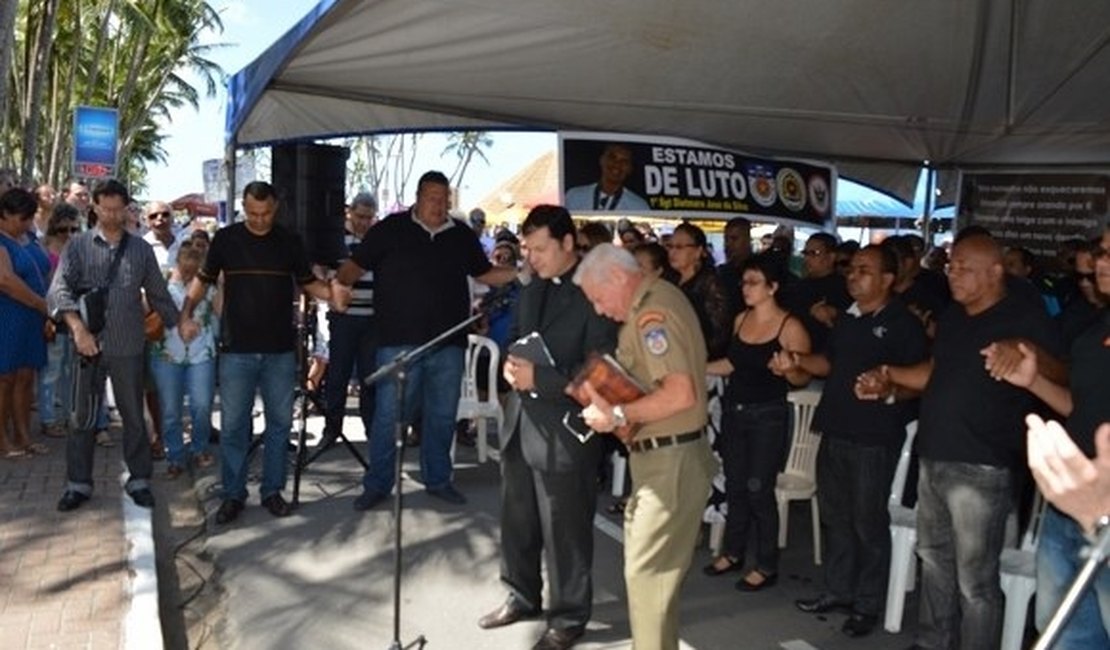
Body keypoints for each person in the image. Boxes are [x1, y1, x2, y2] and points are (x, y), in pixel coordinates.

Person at [855, 231, 1063, 649]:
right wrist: (890, 375)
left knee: (975, 581)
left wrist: (1025, 353)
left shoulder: (1021, 316)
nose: (955, 274)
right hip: (935, 455)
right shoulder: (952, 317)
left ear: (996, 271)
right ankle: (933, 641)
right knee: (933, 561)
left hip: (983, 466)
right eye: (952, 266)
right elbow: (935, 373)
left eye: (966, 267)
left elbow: (1062, 375)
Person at [477, 206, 618, 650]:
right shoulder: (533, 287)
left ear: (568, 244)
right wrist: (512, 368)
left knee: (565, 529)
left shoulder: (597, 293)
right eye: (526, 249)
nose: (531, 258)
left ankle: (569, 616)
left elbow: (601, 369)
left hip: (567, 428)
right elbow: (520, 335)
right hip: (522, 420)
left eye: (539, 249)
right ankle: (521, 594)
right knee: (517, 517)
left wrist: (543, 380)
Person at [337, 171, 517, 510]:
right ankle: (377, 484)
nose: (440, 205)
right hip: (396, 344)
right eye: (433, 198)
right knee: (390, 417)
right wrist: (339, 286)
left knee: (442, 415)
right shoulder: (390, 229)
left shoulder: (461, 234)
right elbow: (354, 267)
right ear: (418, 198)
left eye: (444, 198)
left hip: (449, 342)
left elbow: (483, 273)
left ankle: (438, 480)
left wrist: (519, 273)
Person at [777, 245, 926, 638]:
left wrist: (889, 387)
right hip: (836, 429)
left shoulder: (902, 324)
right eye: (852, 269)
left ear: (887, 279)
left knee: (867, 524)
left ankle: (867, 604)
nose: (853, 275)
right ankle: (837, 590)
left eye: (864, 270)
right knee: (836, 519)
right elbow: (829, 363)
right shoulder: (849, 318)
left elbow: (918, 380)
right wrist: (798, 360)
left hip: (874, 438)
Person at [574, 243, 716, 650]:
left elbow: (679, 395)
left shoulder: (652, 313)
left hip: (671, 461)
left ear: (618, 277)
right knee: (655, 584)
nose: (600, 310)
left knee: (648, 580)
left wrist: (616, 415)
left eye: (599, 299)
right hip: (662, 457)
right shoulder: (655, 301)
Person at [178, 181, 345, 524]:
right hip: (237, 349)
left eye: (266, 213)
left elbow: (308, 283)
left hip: (280, 351)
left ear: (276, 207)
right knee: (235, 425)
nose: (259, 220)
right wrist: (186, 313)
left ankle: (272, 492)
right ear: (243, 206)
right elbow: (203, 280)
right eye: (253, 213)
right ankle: (233, 494)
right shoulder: (226, 239)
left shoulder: (289, 241)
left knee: (280, 425)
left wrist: (332, 294)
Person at [982, 226, 1110, 646]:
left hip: (1102, 512)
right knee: (1065, 635)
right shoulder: (1097, 329)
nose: (1100, 261)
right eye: (1101, 251)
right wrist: (1033, 381)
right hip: (1070, 509)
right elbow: (1081, 406)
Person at [48, 179, 180, 511]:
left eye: (117, 209)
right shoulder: (77, 246)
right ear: (93, 207)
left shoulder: (141, 250)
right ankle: (78, 483)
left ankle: (139, 479)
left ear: (126, 208)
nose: (111, 215)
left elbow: (158, 294)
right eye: (105, 209)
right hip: (87, 347)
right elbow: (59, 290)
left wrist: (181, 323)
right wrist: (78, 329)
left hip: (128, 345)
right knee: (82, 417)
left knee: (134, 416)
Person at [703, 252, 811, 591]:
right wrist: (697, 366)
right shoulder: (740, 319)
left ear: (773, 287)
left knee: (759, 489)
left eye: (753, 282)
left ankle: (766, 563)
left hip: (768, 414)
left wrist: (789, 368)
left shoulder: (790, 326)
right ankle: (733, 552)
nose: (745, 288)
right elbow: (732, 365)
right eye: (744, 281)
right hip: (736, 410)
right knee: (735, 484)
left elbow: (802, 379)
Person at [149, 242, 217, 478]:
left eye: (194, 270)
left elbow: (220, 310)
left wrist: (223, 283)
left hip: (202, 353)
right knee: (170, 409)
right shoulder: (164, 284)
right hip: (167, 354)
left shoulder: (208, 286)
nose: (188, 275)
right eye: (185, 269)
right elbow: (147, 308)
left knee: (201, 405)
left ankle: (199, 448)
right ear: (177, 262)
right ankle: (175, 456)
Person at [319, 193, 379, 451]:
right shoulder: (335, 241)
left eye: (368, 217)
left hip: (372, 319)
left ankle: (372, 430)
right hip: (343, 318)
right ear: (350, 213)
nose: (364, 222)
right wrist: (329, 290)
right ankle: (332, 430)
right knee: (338, 376)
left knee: (370, 377)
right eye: (360, 216)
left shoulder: (377, 241)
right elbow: (319, 269)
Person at [0, 188, 50, 459]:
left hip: (31, 318)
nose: (27, 223)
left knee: (25, 377)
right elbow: (5, 281)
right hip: (8, 315)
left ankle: (23, 435)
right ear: (6, 213)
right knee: (5, 378)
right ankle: (3, 439)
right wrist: (40, 304)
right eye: (23, 217)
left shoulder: (28, 238)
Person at [667, 221, 733, 361]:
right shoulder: (669, 280)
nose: (672, 252)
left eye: (679, 247)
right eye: (670, 246)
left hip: (702, 362)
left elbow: (720, 334)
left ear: (698, 251)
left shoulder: (711, 284)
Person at [564, 143, 649, 212]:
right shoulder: (574, 196)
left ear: (630, 169)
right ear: (601, 160)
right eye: (612, 157)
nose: (617, 164)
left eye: (624, 161)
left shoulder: (639, 206)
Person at [717, 217, 753, 317]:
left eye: (734, 239)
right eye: (726, 239)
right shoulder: (722, 272)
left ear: (748, 239)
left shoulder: (759, 271)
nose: (728, 244)